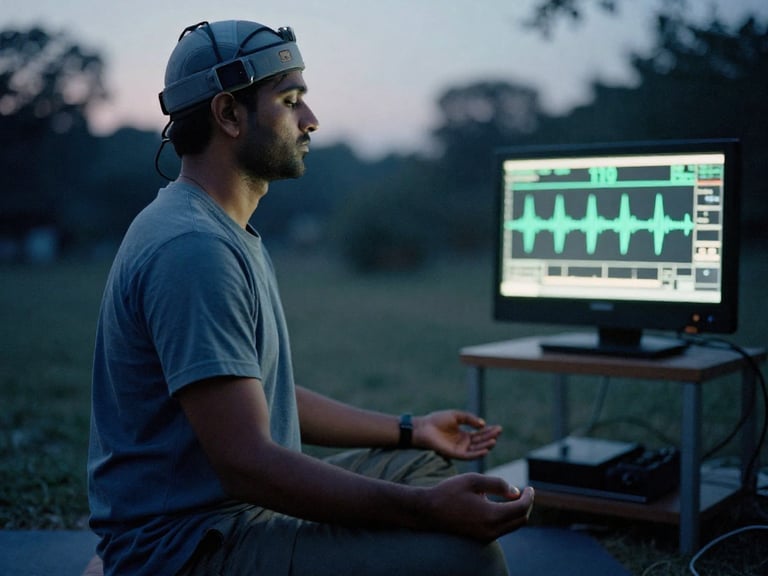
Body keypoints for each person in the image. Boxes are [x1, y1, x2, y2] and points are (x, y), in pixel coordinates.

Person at [87, 19, 534, 576]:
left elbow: (254, 393)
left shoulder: (218, 228)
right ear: (228, 114)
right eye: (291, 100)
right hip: (189, 546)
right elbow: (247, 464)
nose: (311, 120)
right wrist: (422, 512)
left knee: (423, 460)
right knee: (465, 559)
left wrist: (410, 427)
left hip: (232, 515)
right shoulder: (193, 248)